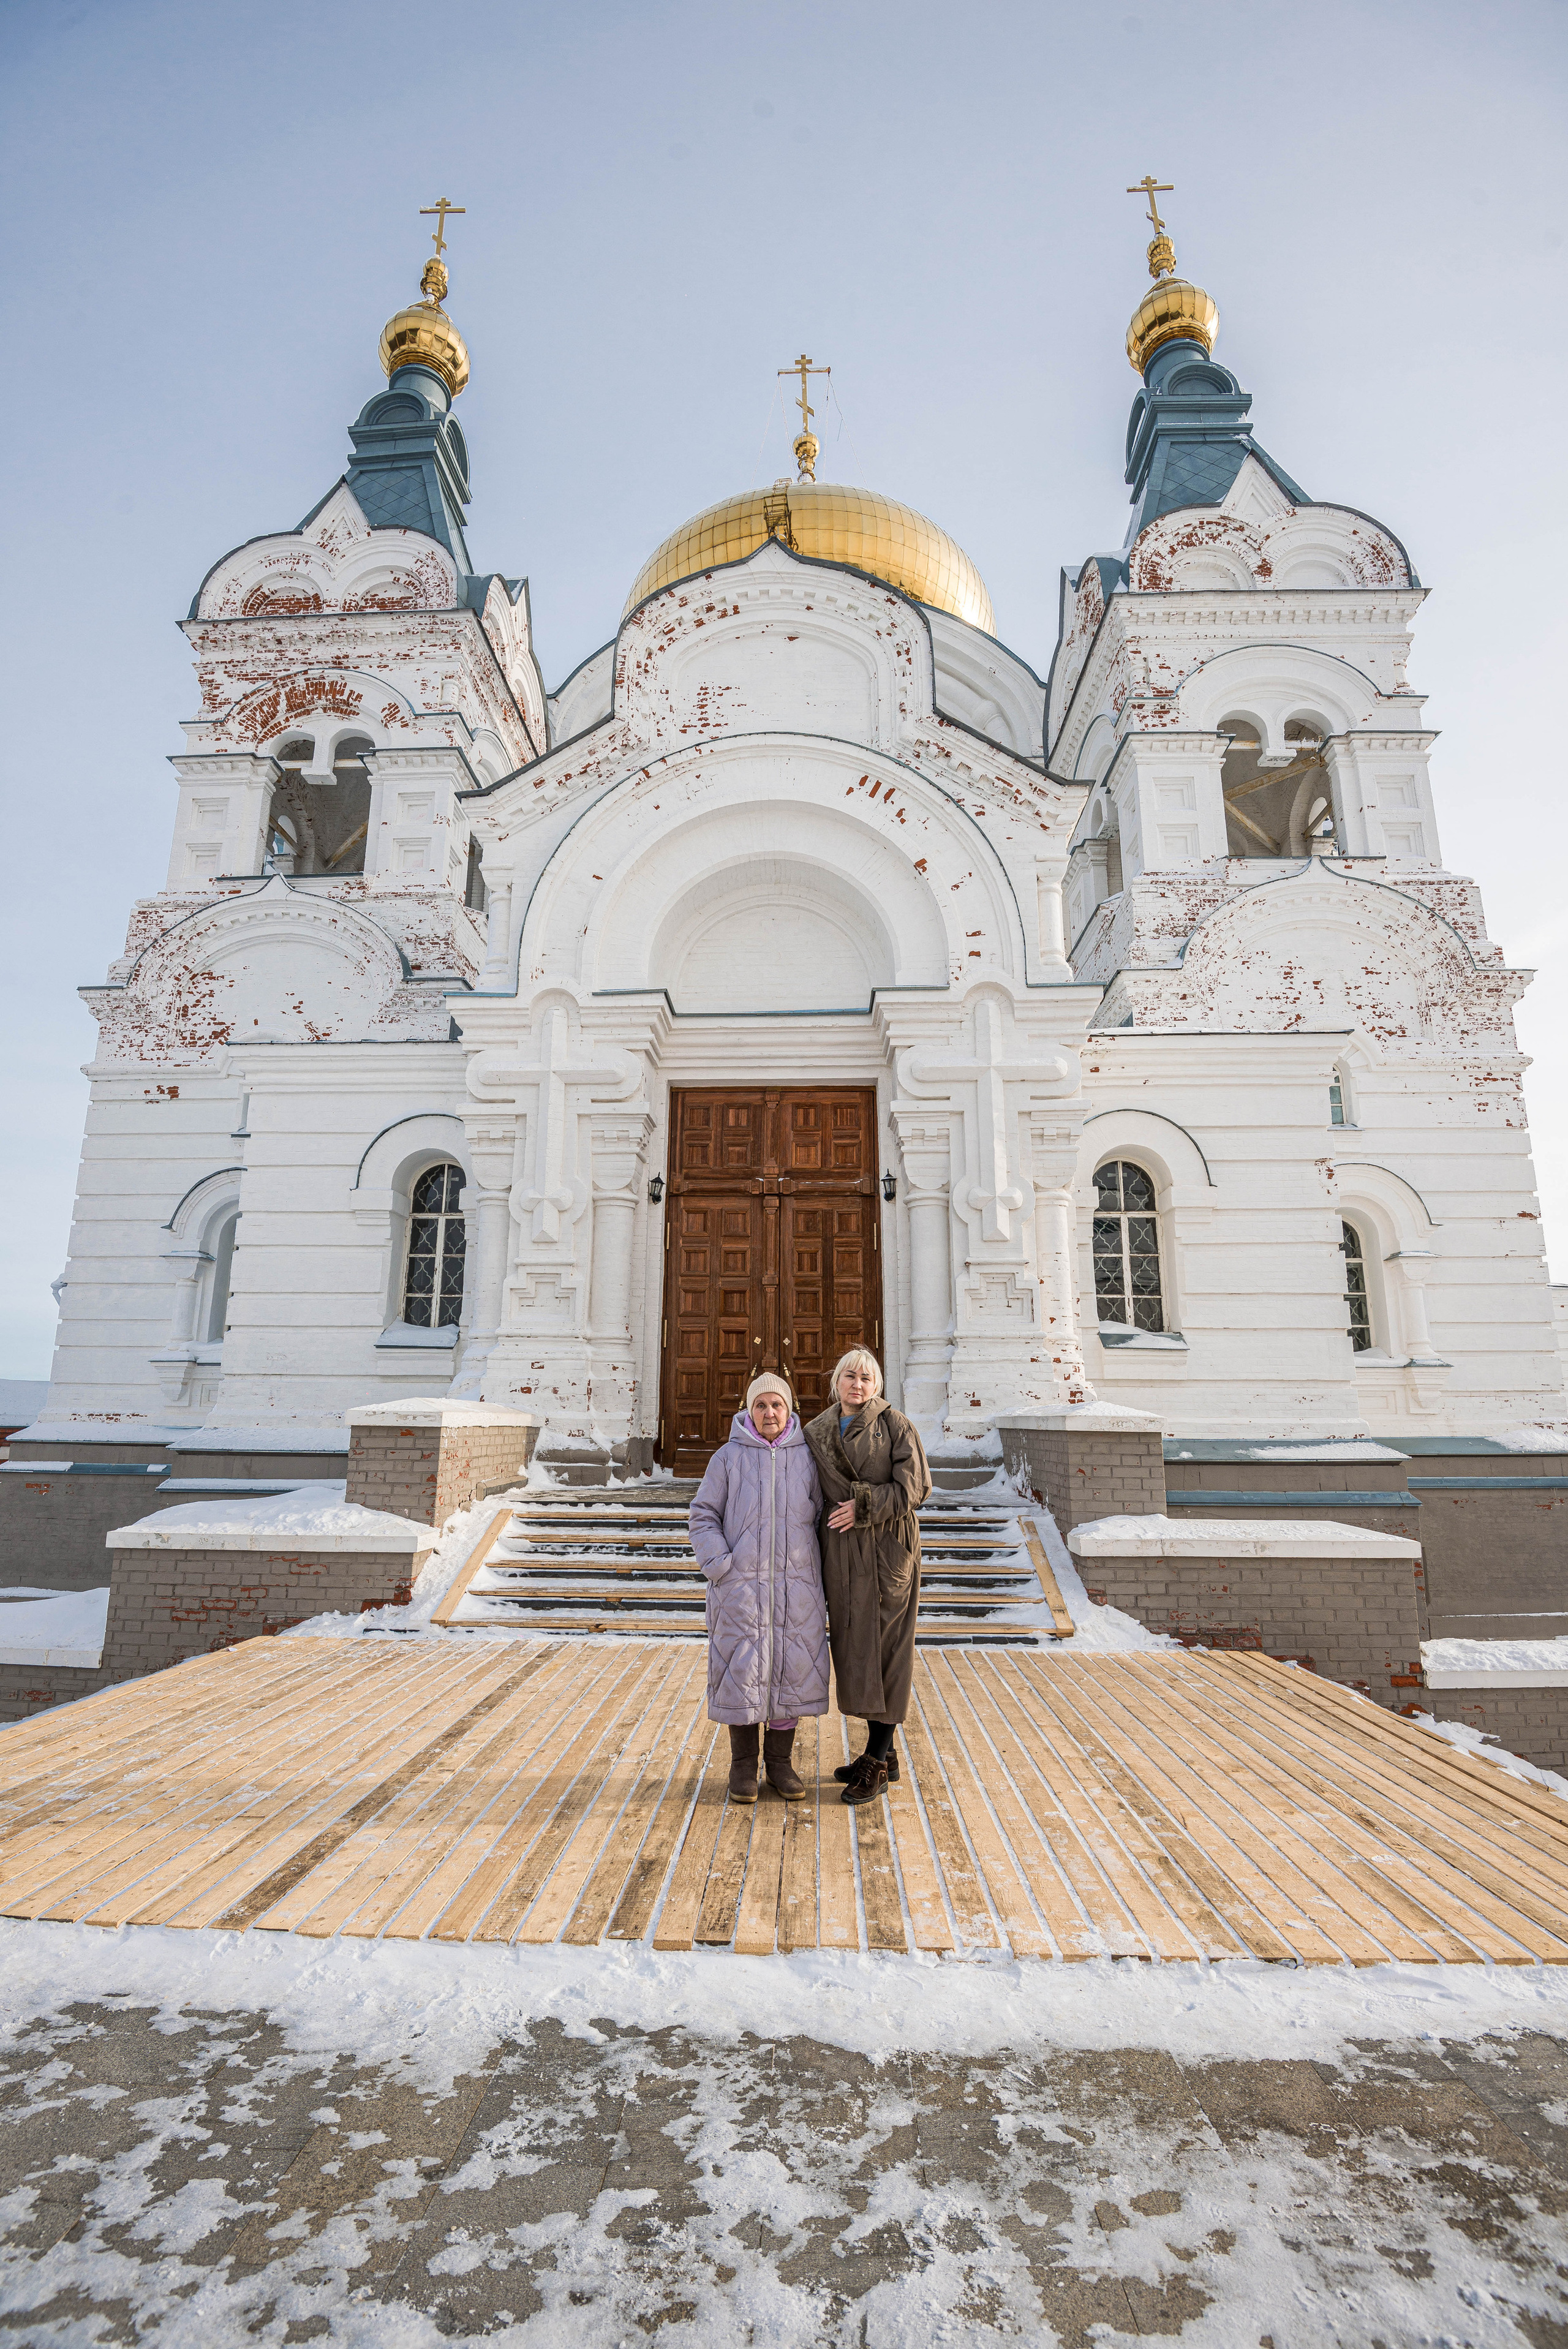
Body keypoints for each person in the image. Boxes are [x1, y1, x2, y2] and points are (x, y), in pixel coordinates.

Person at [687, 1371, 830, 1803]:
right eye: (762, 1405)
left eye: (777, 1405)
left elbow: (823, 1517)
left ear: (791, 1411)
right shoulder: (728, 1459)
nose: (770, 1413)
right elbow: (703, 1514)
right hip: (741, 1590)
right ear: (749, 1411)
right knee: (744, 1672)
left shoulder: (808, 1458)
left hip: (796, 1588)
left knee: (790, 1671)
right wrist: (720, 1565)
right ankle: (743, 1767)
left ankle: (781, 1766)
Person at [804, 1348, 932, 1806]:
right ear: (837, 1380)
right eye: (850, 1376)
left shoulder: (896, 1426)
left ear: (877, 1384)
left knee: (887, 1649)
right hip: (842, 1555)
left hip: (886, 1549)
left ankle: (876, 1759)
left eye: (867, 1377)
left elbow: (915, 1487)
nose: (858, 1384)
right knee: (856, 1646)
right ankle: (886, 1753)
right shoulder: (816, 1431)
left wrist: (863, 1506)